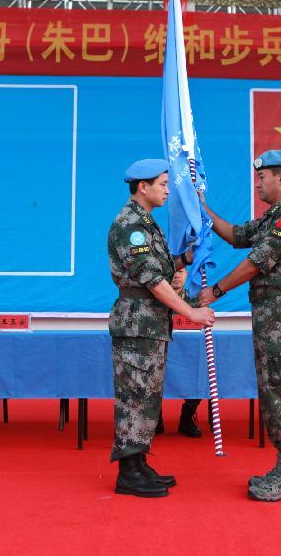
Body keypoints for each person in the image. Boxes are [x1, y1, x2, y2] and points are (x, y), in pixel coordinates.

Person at [197, 149, 281, 502]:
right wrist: (202, 210)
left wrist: (215, 291)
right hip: (272, 315)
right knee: (273, 390)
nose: (258, 183)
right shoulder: (273, 217)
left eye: (262, 177)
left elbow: (256, 262)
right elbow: (236, 235)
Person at [107, 158, 215, 498]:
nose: (169, 190)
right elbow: (153, 280)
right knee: (134, 398)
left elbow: (162, 267)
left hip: (150, 325)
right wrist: (191, 313)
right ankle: (127, 472)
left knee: (147, 397)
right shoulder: (131, 226)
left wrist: (184, 261)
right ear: (143, 186)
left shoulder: (147, 224)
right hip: (138, 323)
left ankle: (138, 463)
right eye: (163, 184)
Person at [154, 268, 205, 438]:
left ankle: (187, 417)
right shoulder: (154, 298)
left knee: (199, 374)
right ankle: (155, 418)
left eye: (181, 272)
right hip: (159, 350)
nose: (176, 275)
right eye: (173, 272)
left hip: (187, 354)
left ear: (186, 275)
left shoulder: (194, 300)